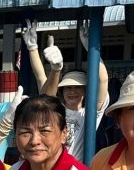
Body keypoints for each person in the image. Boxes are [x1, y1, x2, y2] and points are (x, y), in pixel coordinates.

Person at [41, 23, 109, 162]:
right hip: (51, 169)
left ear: (86, 90)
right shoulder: (57, 110)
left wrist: (91, 48)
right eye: (68, 87)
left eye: (77, 87)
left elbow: (103, 79)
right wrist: (56, 69)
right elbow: (46, 99)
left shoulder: (89, 114)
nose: (72, 91)